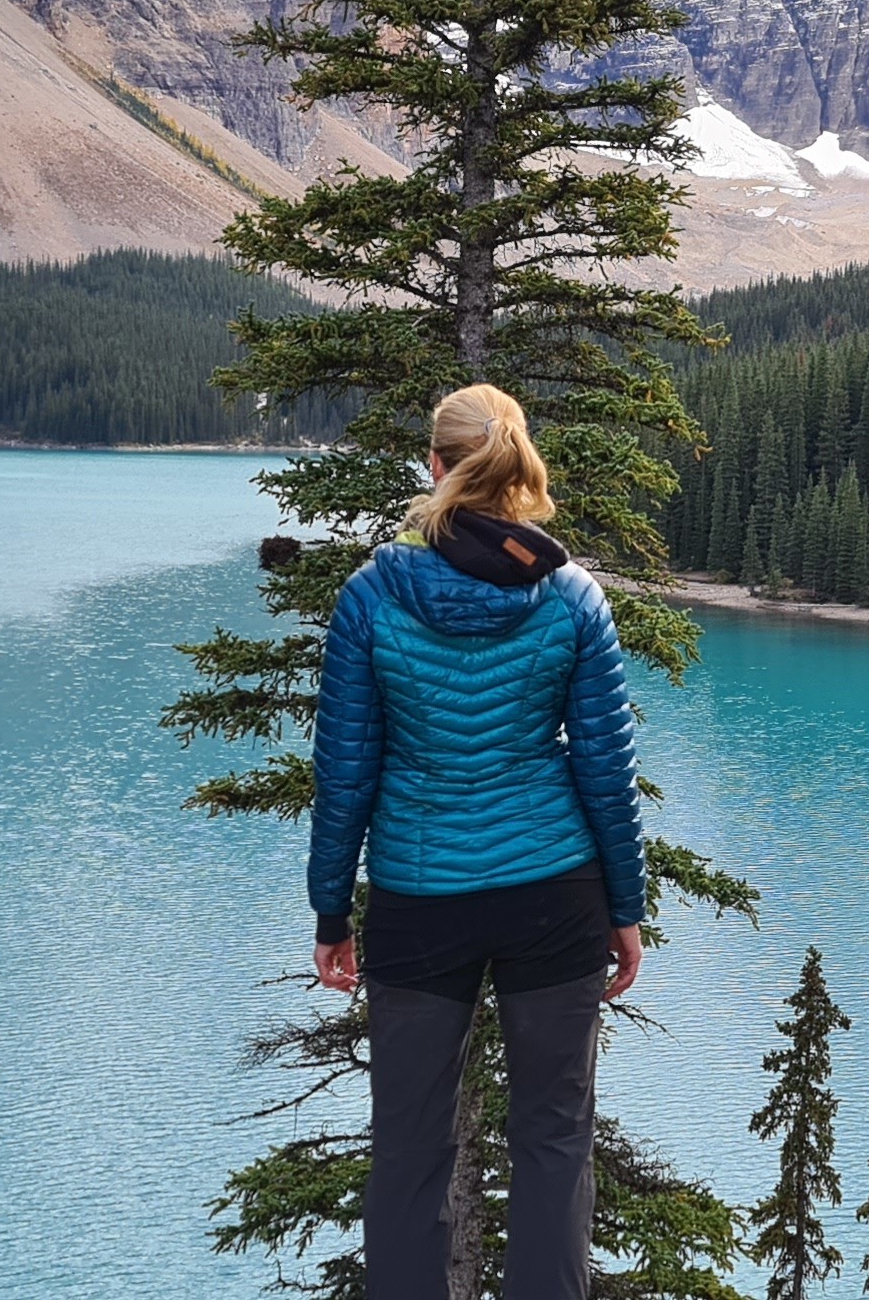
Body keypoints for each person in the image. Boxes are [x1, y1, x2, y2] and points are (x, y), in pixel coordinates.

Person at [306, 382, 649, 1300]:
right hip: (555, 894)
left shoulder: (372, 596)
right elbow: (604, 774)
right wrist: (626, 908)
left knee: (410, 1150)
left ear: (436, 466)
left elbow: (344, 773)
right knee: (554, 1141)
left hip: (421, 903)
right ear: (516, 469)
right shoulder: (572, 597)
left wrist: (331, 911)